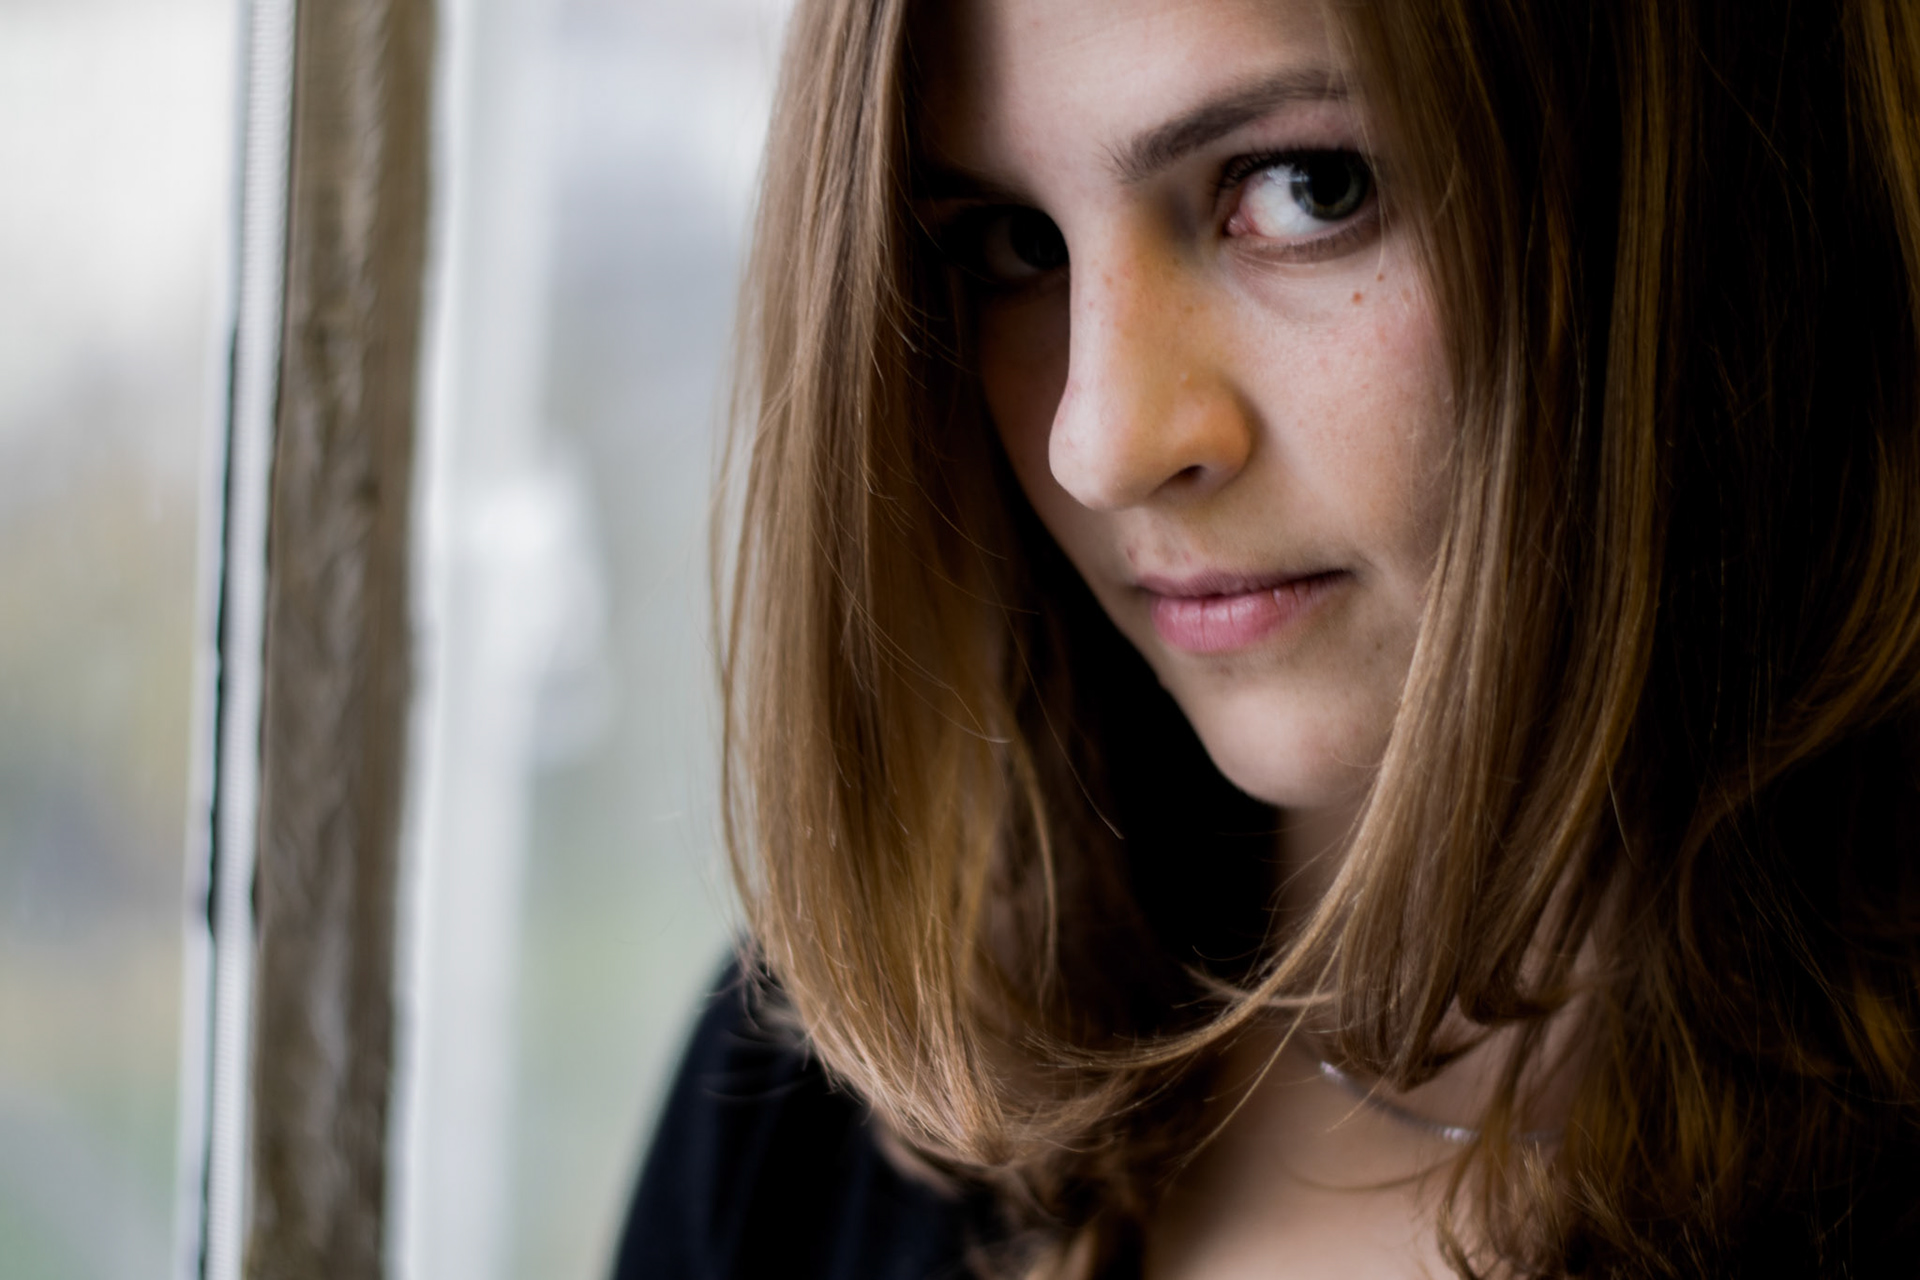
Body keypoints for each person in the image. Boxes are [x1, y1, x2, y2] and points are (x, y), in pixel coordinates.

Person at [616, 0, 1920, 1275]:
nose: (1102, 444)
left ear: (1718, 187)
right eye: (1013, 244)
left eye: (1308, 189)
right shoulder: (815, 1107)